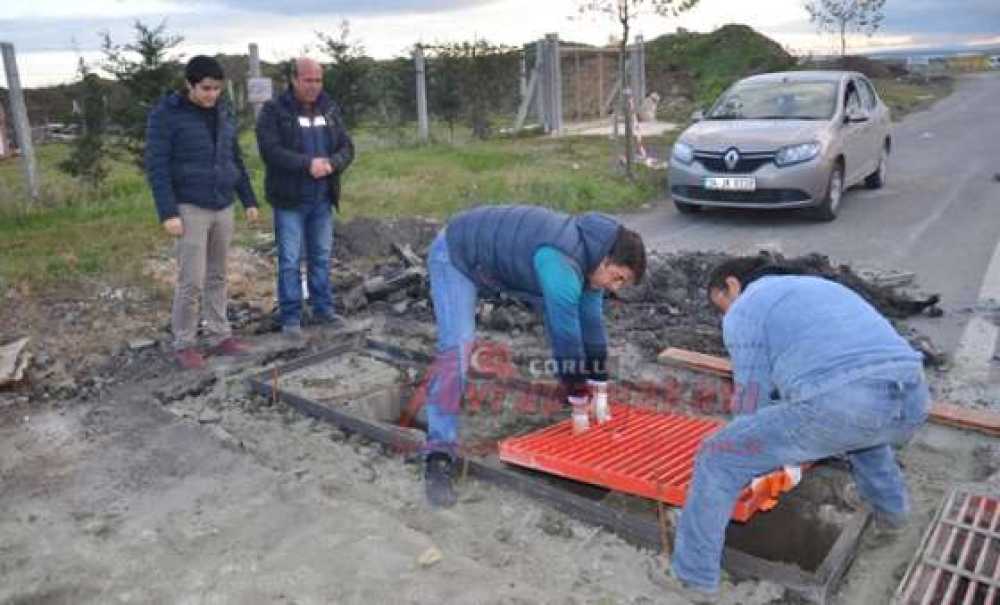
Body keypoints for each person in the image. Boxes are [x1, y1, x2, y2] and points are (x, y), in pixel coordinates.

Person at [662, 256, 929, 603]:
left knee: (717, 457)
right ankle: (893, 518)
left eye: (721, 305)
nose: (725, 316)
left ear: (732, 285)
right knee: (865, 438)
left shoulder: (747, 306)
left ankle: (692, 579)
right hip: (912, 398)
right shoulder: (821, 289)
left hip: (845, 403)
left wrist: (746, 456)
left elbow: (751, 399)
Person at [422, 205, 647, 508]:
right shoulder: (561, 264)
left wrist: (600, 385)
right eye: (617, 278)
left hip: (492, 262)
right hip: (457, 253)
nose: (615, 287)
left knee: (570, 324)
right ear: (606, 260)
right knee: (457, 350)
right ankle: (438, 454)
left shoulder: (592, 266)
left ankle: (572, 393)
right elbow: (566, 338)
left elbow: (592, 327)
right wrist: (579, 399)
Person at [145, 55, 259, 370]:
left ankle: (220, 336)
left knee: (218, 275)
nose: (212, 95)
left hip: (223, 204)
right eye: (206, 88)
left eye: (217, 89)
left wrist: (248, 200)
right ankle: (184, 343)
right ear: (189, 85)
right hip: (190, 206)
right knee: (191, 280)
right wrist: (168, 212)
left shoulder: (223, 113)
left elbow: (234, 158)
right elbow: (157, 167)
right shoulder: (166, 116)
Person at [256, 57, 355, 341]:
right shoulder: (275, 111)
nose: (314, 86)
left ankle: (323, 309)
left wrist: (333, 164)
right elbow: (270, 151)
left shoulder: (329, 108)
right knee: (289, 260)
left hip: (322, 198)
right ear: (294, 80)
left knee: (321, 257)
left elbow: (347, 147)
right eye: (308, 80)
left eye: (318, 80)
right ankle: (291, 317)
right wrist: (306, 164)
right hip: (289, 200)